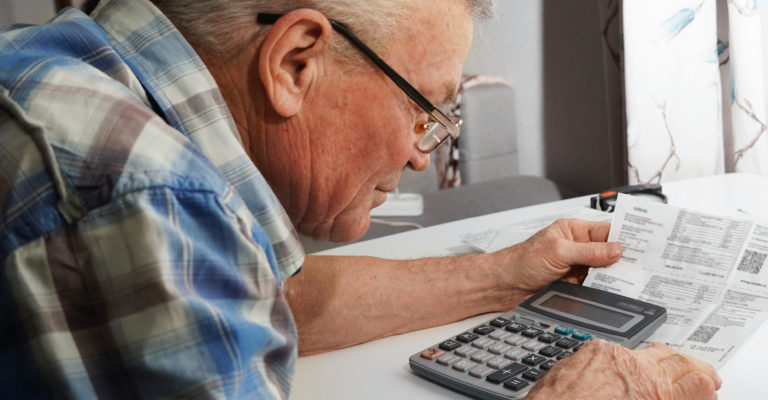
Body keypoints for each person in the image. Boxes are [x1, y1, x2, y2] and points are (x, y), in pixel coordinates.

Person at [0, 0, 722, 398]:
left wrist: (504, 273)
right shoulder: (144, 198)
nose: (420, 151)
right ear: (296, 63)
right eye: (424, 110)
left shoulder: (65, 63)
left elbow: (276, 297)